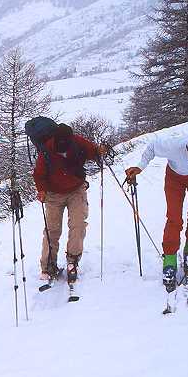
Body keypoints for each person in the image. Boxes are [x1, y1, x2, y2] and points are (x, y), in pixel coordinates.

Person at [125, 135, 188, 293]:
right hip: (175, 178)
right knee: (174, 218)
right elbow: (152, 146)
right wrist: (140, 167)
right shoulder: (173, 145)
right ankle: (170, 258)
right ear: (187, 150)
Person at [33, 123, 106, 293]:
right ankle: (48, 266)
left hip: (76, 190)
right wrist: (41, 190)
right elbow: (39, 174)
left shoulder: (77, 142)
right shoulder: (46, 150)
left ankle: (72, 260)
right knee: (52, 230)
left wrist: (100, 151)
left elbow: (93, 151)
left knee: (78, 225)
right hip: (53, 194)